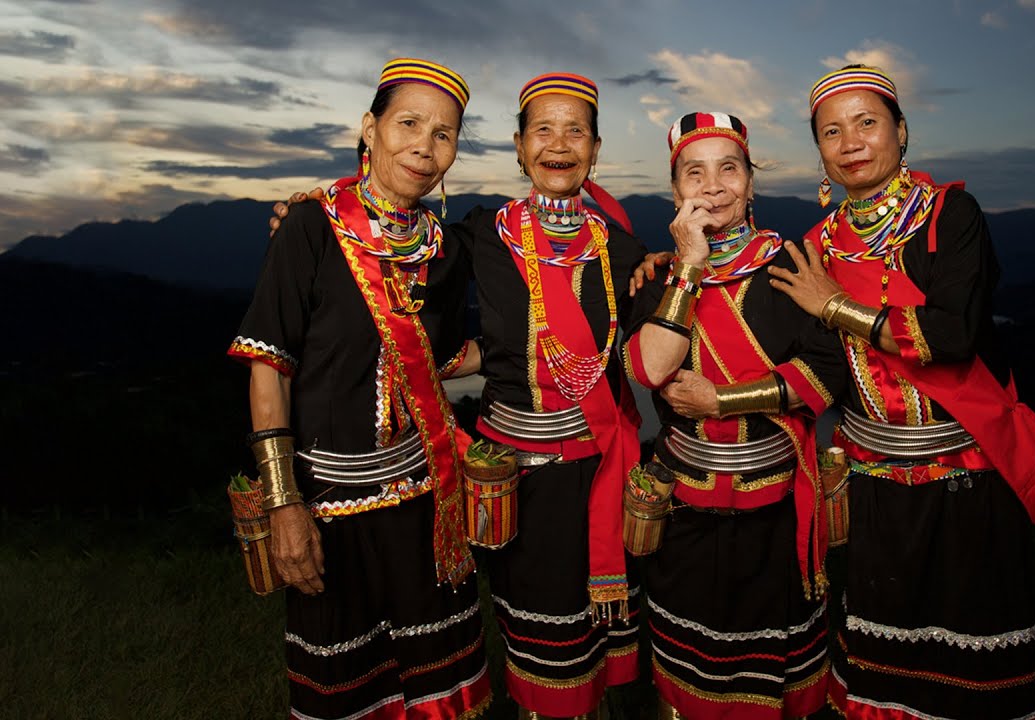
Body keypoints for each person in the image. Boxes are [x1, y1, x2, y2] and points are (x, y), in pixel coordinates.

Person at [766, 64, 1035, 720]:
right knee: (883, 660)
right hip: (873, 485)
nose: (850, 142)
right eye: (831, 132)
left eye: (867, 123)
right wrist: (674, 270)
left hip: (966, 481)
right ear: (820, 152)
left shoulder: (951, 214)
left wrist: (835, 305)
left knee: (973, 659)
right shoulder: (817, 246)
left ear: (902, 131)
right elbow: (821, 365)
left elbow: (953, 335)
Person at [227, 58, 490, 720]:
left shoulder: (445, 251)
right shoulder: (311, 228)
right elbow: (268, 366)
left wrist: (533, 356)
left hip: (424, 503)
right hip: (328, 506)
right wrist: (284, 504)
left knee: (438, 681)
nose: (424, 147)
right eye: (408, 124)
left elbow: (440, 359)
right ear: (369, 129)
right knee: (348, 688)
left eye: (443, 134)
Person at [623, 112, 847, 720]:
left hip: (775, 509)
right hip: (684, 510)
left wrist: (721, 401)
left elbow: (826, 374)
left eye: (729, 169)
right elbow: (648, 370)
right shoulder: (660, 278)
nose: (713, 186)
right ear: (675, 190)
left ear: (751, 181)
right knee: (686, 676)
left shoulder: (791, 268)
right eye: (694, 173)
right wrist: (690, 265)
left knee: (771, 673)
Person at [452, 73, 647, 720]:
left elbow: (654, 353)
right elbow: (401, 265)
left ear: (595, 149)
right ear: (518, 146)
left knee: (593, 638)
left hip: (596, 470)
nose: (558, 144)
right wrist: (321, 219)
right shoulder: (483, 234)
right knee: (534, 636)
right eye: (542, 129)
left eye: (575, 131)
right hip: (512, 476)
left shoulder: (622, 250)